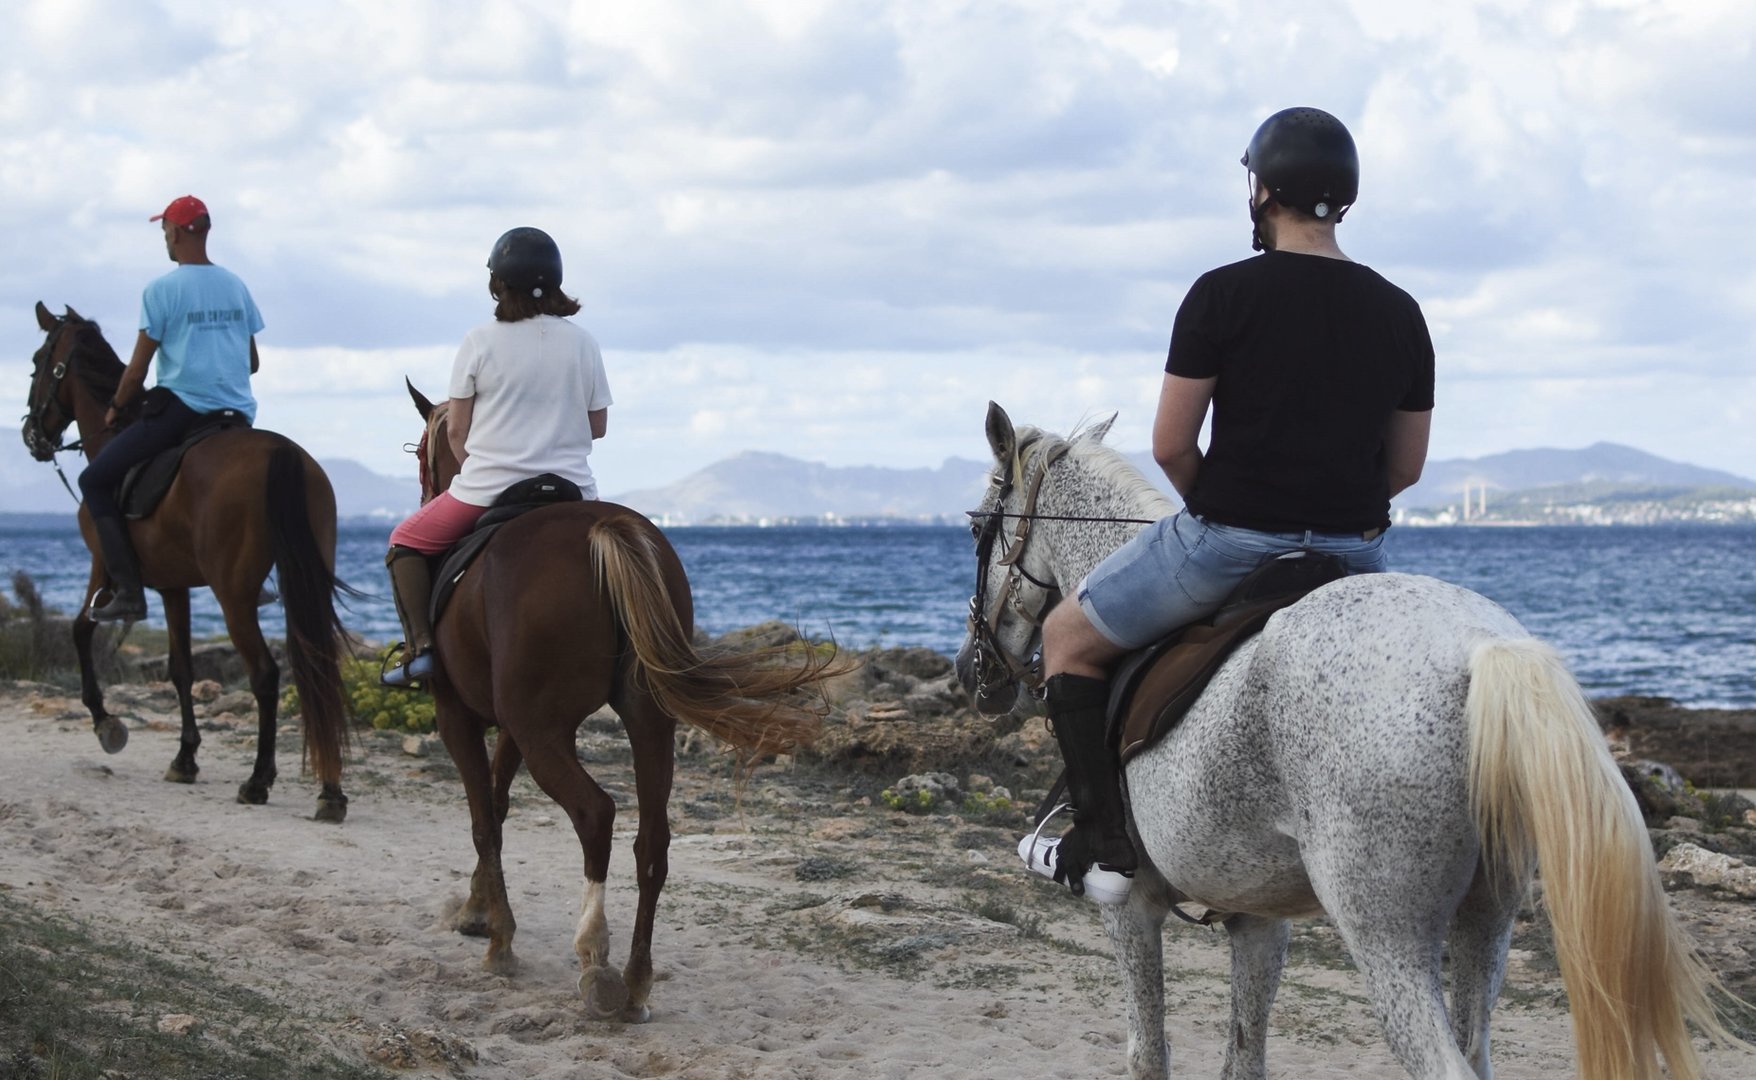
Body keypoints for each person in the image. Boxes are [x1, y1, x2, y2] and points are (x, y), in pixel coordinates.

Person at [1023, 107, 1435, 903]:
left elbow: (1172, 446)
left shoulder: (1221, 295)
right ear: (1344, 197)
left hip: (1229, 542)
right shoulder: (1400, 310)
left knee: (1065, 636)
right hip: (1355, 554)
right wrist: (1332, 509)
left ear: (1264, 191)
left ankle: (1103, 849)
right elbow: (1407, 467)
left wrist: (1220, 513)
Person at [381, 227, 613, 687]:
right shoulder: (584, 342)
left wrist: (477, 466)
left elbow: (456, 429)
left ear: (498, 284)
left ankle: (420, 652)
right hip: (575, 492)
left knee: (404, 541)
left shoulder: (479, 341)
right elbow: (598, 426)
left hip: (489, 488)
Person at [78, 195, 265, 622]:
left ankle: (128, 591)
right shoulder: (236, 285)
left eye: (165, 230)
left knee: (95, 480)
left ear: (177, 232)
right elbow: (252, 362)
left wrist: (116, 407)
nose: (165, 237)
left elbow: (136, 371)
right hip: (237, 415)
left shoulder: (161, 290)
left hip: (183, 410)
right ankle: (260, 577)